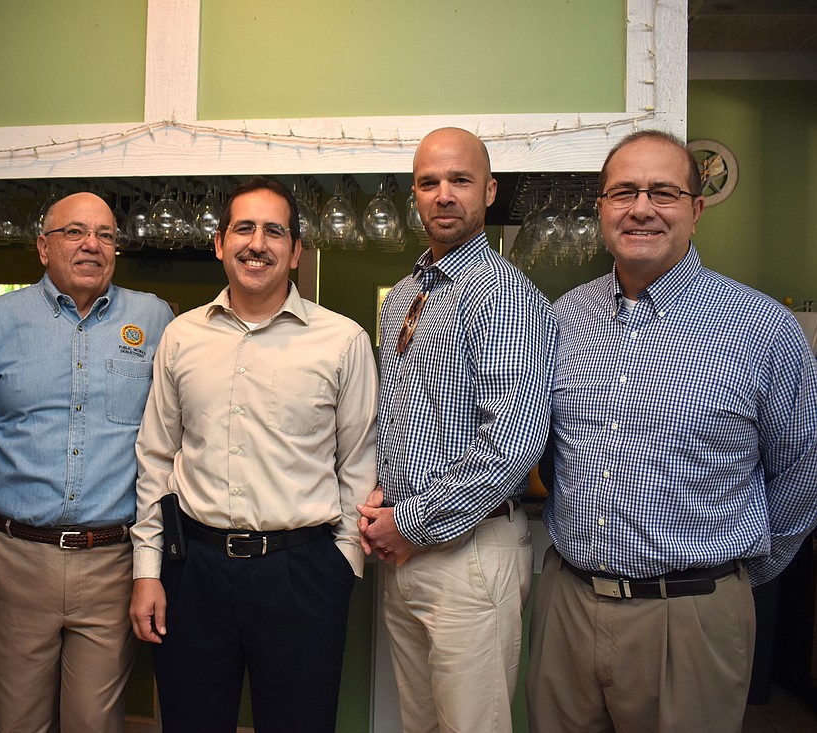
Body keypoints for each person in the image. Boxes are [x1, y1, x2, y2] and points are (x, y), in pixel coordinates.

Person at [526, 130, 817, 732]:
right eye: (623, 192)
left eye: (664, 192)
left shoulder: (763, 328)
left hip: (691, 615)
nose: (641, 208)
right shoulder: (562, 317)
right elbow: (545, 448)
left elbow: (801, 473)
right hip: (569, 605)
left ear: (696, 208)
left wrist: (727, 584)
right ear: (602, 208)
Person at [129, 176, 377, 733]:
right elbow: (156, 458)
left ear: (296, 251)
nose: (257, 244)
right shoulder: (181, 336)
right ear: (220, 243)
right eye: (243, 228)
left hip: (303, 575)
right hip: (193, 572)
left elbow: (359, 462)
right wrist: (148, 570)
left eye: (274, 231)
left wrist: (342, 565)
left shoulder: (343, 341)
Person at [357, 127, 557, 733]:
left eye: (460, 180)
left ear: (489, 191)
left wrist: (408, 524)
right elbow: (401, 413)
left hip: (470, 554)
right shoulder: (406, 294)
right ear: (414, 195)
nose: (443, 194)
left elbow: (515, 442)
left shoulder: (504, 294)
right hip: (406, 550)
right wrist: (383, 493)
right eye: (429, 182)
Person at [0, 192, 173, 733]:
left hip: (111, 561)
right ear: (43, 247)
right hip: (16, 557)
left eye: (105, 235)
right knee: (19, 721)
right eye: (74, 232)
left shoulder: (154, 318)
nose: (91, 245)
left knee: (94, 723)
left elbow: (166, 434)